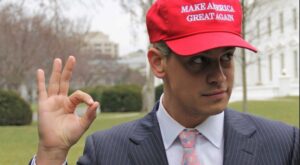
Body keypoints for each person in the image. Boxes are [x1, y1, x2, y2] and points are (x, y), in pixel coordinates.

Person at [30, 0, 299, 164]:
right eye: (198, 60)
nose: (218, 76)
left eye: (226, 57)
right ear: (158, 62)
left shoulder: (283, 145)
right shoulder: (108, 152)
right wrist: (51, 155)